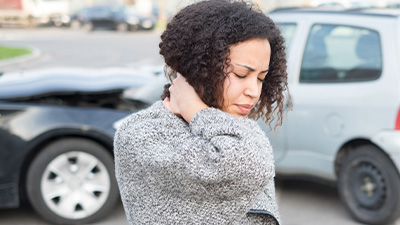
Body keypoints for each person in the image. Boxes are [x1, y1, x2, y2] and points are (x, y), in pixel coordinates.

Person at [114, 0, 290, 224]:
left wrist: (196, 110)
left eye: (261, 78)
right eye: (241, 75)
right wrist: (193, 108)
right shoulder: (142, 133)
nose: (253, 91)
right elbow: (250, 163)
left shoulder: (224, 124)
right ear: (199, 67)